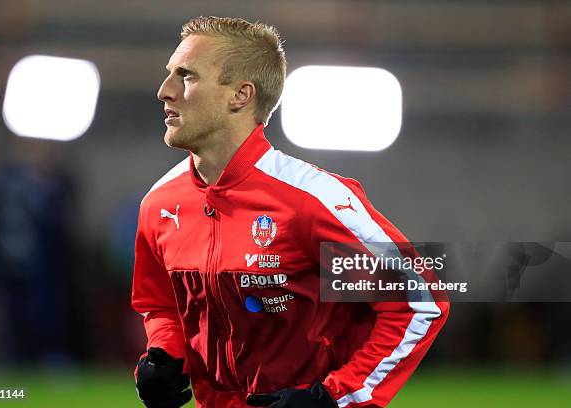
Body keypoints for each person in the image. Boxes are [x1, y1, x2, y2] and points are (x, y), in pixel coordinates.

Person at [132, 16, 449, 408]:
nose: (165, 91)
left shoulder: (311, 200)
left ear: (240, 96)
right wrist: (165, 354)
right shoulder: (159, 204)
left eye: (187, 76)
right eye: (169, 75)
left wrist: (333, 398)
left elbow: (421, 299)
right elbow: (161, 304)